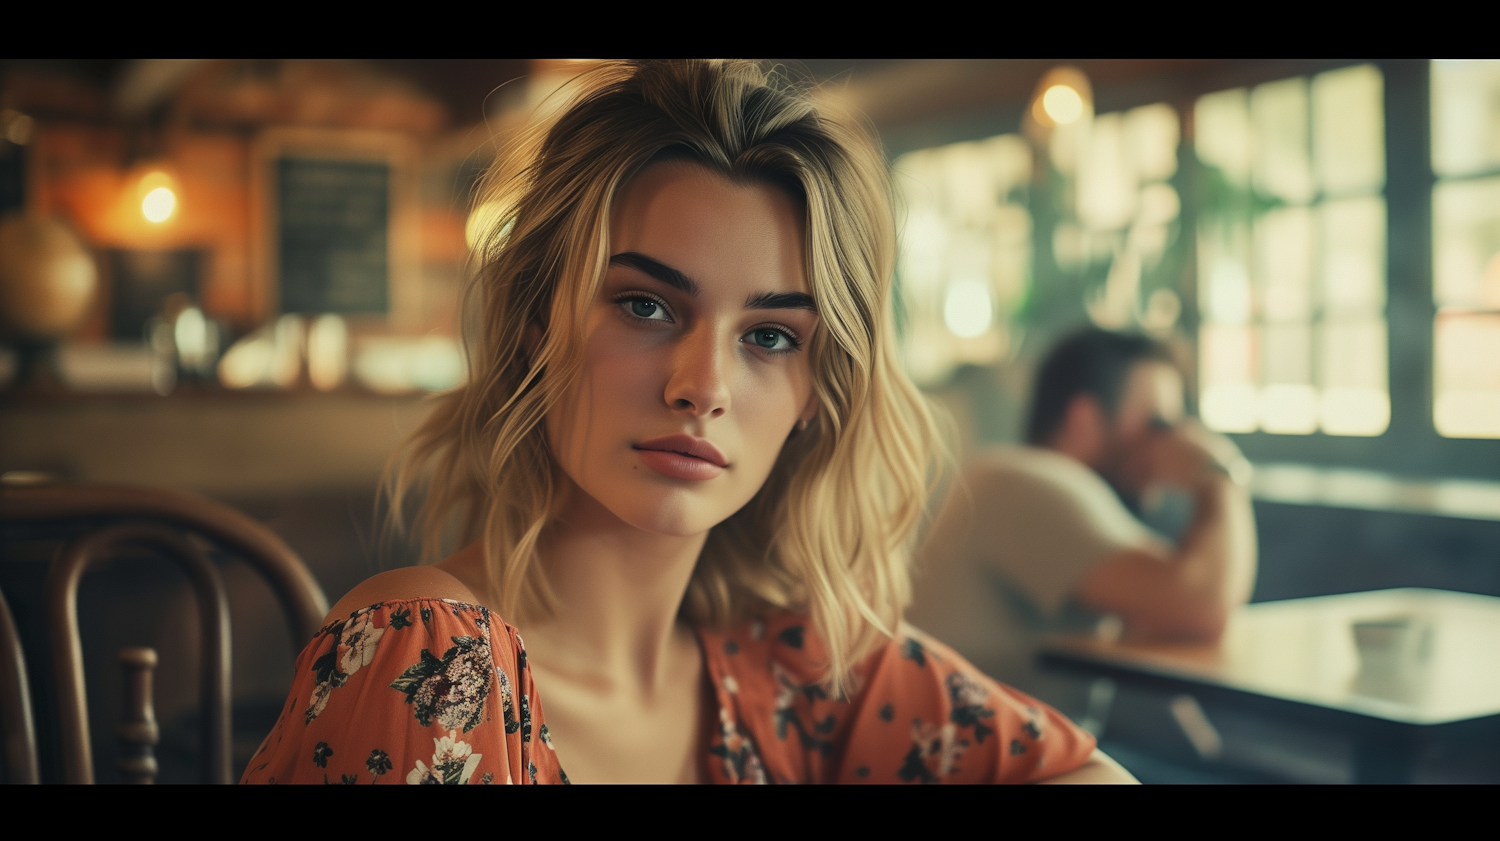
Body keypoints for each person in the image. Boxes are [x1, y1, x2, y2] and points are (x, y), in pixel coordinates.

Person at [241, 61, 1133, 784]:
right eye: (646, 306)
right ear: (532, 322)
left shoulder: (800, 676)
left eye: (772, 335)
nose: (702, 386)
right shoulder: (427, 658)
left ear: (819, 393)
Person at [905, 329, 1258, 720]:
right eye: (1158, 423)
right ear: (1083, 420)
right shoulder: (1024, 482)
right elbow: (1201, 604)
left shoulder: (1044, 490)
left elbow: (1181, 601)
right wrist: (1218, 471)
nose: (1176, 439)